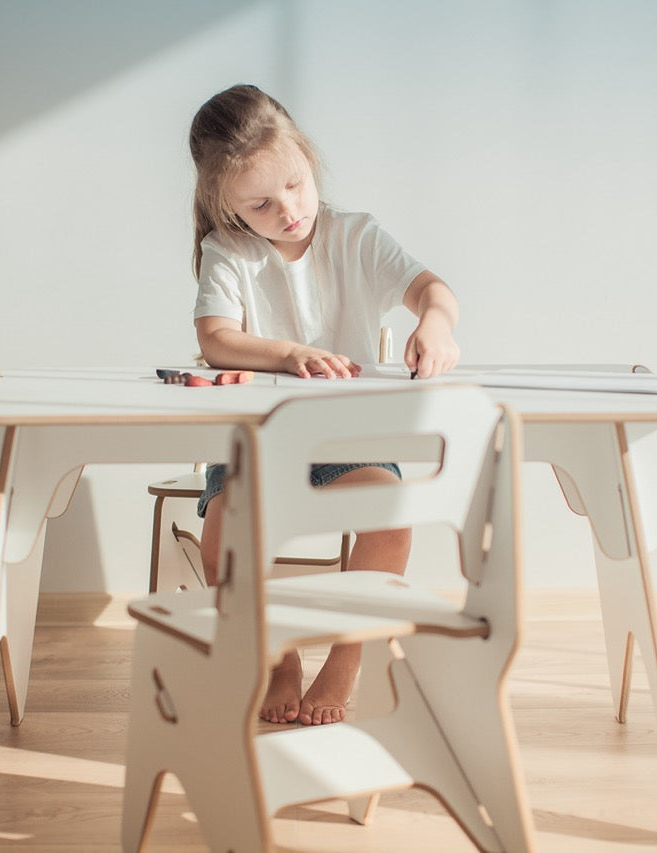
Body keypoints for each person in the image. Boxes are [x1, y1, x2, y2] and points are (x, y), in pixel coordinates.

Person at [187, 83, 460, 726]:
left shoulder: (354, 236)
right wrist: (287, 354)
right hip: (260, 442)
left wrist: (437, 326)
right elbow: (215, 337)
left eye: (298, 186)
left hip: (351, 441)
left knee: (391, 518)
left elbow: (432, 290)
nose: (288, 210)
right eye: (260, 203)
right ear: (224, 206)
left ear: (310, 162)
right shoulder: (228, 253)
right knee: (223, 527)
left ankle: (347, 657)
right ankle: (277, 652)